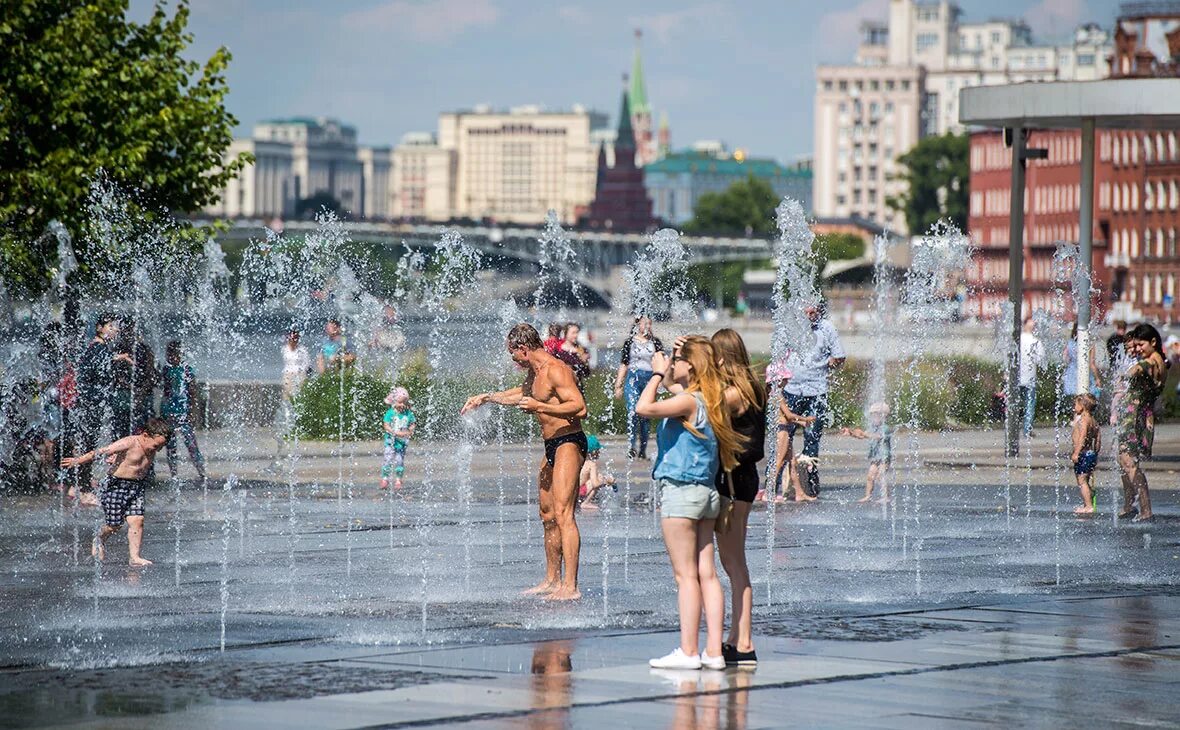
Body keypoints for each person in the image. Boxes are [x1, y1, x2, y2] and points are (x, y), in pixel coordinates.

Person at [637, 335, 742, 670]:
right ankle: (713, 652)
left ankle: (688, 651)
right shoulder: (709, 400)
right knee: (707, 575)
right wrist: (668, 364)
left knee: (685, 577)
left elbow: (644, 408)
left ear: (692, 367)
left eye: (679, 359)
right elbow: (674, 389)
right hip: (706, 495)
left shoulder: (690, 402)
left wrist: (654, 374)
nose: (673, 363)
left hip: (681, 494)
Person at [461, 323, 588, 600]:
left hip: (569, 441)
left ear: (523, 349)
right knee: (547, 515)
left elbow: (580, 407)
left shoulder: (557, 369)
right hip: (551, 444)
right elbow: (522, 393)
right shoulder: (535, 372)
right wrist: (487, 398)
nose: (513, 359)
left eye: (513, 354)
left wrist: (540, 407)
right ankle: (552, 580)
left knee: (565, 514)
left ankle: (571, 587)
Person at [709, 329, 765, 667]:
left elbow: (703, 408)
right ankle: (737, 636)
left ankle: (743, 640)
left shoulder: (732, 394)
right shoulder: (753, 387)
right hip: (744, 478)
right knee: (735, 563)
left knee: (733, 563)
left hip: (732, 479)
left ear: (722, 356)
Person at [61, 417, 173, 566]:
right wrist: (78, 460)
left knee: (137, 521)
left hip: (137, 487)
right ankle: (99, 538)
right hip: (116, 486)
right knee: (115, 524)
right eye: (156, 446)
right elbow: (101, 451)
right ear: (145, 435)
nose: (157, 450)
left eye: (161, 447)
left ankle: (135, 557)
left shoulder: (150, 444)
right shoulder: (129, 442)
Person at [783, 304, 845, 496]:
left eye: (813, 312)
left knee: (812, 437)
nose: (810, 315)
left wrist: (829, 365)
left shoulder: (827, 328)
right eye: (806, 312)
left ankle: (810, 481)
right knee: (784, 436)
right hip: (791, 389)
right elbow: (778, 355)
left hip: (817, 391)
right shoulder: (789, 327)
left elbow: (840, 356)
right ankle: (778, 480)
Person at [72, 313, 130, 505]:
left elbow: (96, 363)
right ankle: (84, 489)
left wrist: (116, 357)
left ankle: (79, 485)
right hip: (92, 403)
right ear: (100, 328)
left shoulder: (98, 347)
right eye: (111, 326)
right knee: (89, 444)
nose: (116, 330)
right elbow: (94, 368)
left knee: (88, 442)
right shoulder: (98, 347)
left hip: (91, 402)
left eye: (116, 326)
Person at [1112, 324, 1166, 522]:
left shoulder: (1151, 361)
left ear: (1153, 342)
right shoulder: (1156, 359)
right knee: (1124, 462)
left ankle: (1145, 510)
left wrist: (1127, 373)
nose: (1138, 349)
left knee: (1130, 463)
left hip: (1134, 418)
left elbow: (1139, 369)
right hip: (1133, 416)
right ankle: (1130, 505)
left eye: (1141, 344)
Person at [762, 361, 816, 503]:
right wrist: (805, 418)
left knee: (792, 462)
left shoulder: (771, 394)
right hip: (782, 432)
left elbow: (785, 417)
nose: (787, 381)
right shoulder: (778, 395)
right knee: (779, 463)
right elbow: (789, 415)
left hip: (782, 428)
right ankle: (769, 493)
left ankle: (799, 493)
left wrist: (802, 423)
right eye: (785, 379)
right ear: (778, 380)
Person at [613, 316, 664, 460]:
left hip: (649, 378)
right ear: (638, 325)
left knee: (646, 414)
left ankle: (643, 449)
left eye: (649, 323)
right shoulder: (630, 342)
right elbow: (624, 364)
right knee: (633, 411)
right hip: (633, 378)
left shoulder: (655, 342)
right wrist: (618, 385)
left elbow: (661, 361)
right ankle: (631, 446)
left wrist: (660, 380)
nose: (647, 325)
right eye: (644, 323)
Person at [159, 340, 205, 480]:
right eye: (169, 354)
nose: (171, 357)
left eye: (174, 354)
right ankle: (174, 474)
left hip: (183, 411)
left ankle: (201, 471)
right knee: (170, 445)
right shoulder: (165, 369)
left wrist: (192, 412)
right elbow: (165, 389)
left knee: (191, 443)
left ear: (180, 354)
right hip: (168, 411)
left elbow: (192, 392)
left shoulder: (187, 369)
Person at [841, 402, 894, 504]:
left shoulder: (885, 428)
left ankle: (886, 496)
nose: (874, 418)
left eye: (876, 416)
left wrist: (864, 433)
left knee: (880, 476)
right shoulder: (872, 428)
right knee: (870, 476)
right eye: (872, 416)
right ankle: (868, 496)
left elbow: (877, 436)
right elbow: (862, 436)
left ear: (884, 416)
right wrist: (851, 433)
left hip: (884, 457)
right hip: (875, 457)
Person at [1070, 393, 1101, 515]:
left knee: (1081, 480)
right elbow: (1098, 439)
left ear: (1083, 406)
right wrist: (1096, 453)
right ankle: (1088, 498)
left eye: (1076, 405)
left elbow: (1082, 437)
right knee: (1085, 479)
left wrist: (1076, 453)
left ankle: (1088, 506)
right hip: (1091, 453)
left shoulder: (1084, 420)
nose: (1074, 407)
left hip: (1083, 454)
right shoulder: (1094, 421)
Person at [381, 386, 416, 490]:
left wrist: (409, 431)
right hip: (390, 441)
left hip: (402, 443)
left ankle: (398, 479)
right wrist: (394, 432)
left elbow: (413, 424)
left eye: (404, 403)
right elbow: (386, 425)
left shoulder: (408, 413)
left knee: (399, 461)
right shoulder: (390, 413)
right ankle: (385, 478)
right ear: (394, 402)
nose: (402, 405)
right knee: (387, 459)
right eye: (400, 402)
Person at [1018, 317, 1045, 438]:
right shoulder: (1036, 342)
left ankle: (1012, 427)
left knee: (1015, 403)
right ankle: (1027, 430)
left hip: (1017, 378)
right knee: (1029, 404)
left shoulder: (1017, 340)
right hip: (1030, 378)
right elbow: (1040, 360)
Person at [1063, 322, 1102, 399]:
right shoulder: (1090, 344)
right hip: (1084, 374)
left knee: (1073, 403)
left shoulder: (1070, 343)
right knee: (1085, 401)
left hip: (1071, 375)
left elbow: (1065, 359)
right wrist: (1097, 378)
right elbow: (1092, 364)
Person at [577, 434, 615, 509]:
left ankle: (580, 501)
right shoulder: (591, 464)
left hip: (572, 492)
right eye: (598, 450)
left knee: (596, 477)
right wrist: (606, 481)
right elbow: (595, 484)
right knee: (600, 477)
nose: (599, 452)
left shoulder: (579, 461)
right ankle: (586, 502)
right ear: (593, 451)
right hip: (580, 492)